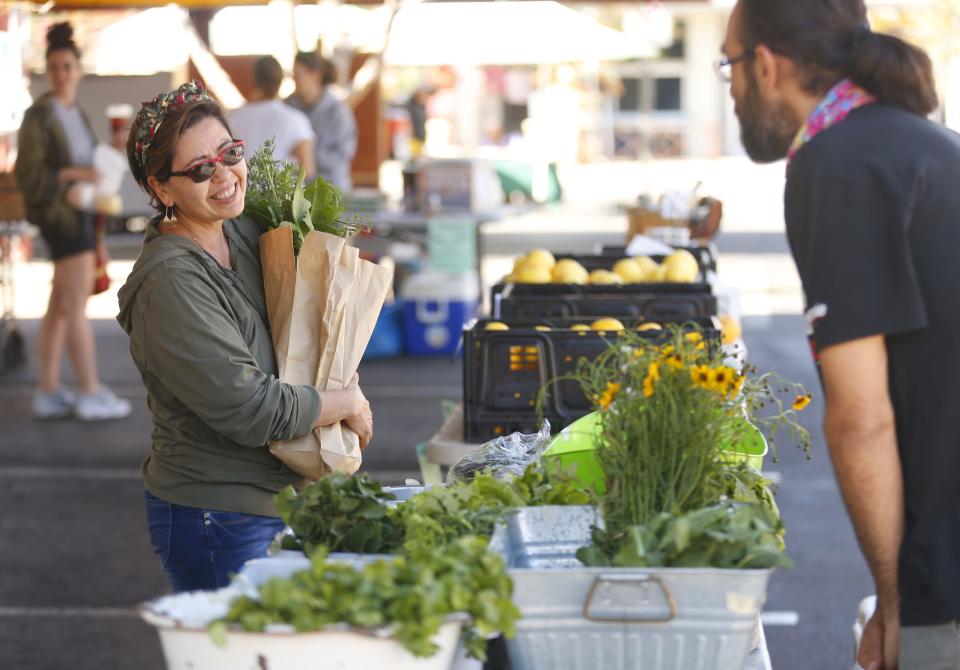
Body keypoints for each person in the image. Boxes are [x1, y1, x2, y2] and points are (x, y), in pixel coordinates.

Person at [722, 2, 958, 669]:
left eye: (729, 67)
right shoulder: (921, 145)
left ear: (764, 65)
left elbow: (861, 419)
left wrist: (896, 601)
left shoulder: (837, 166)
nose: (733, 90)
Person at [117, 81, 373, 592]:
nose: (225, 176)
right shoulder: (171, 282)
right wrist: (344, 401)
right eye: (199, 170)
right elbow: (248, 408)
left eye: (229, 153)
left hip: (276, 497)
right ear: (161, 189)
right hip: (217, 515)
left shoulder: (241, 230)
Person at [14, 22, 131, 422]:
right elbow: (29, 176)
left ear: (79, 69)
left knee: (60, 308)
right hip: (61, 219)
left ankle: (47, 391)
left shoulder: (73, 112)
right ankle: (90, 390)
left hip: (81, 215)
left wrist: (108, 153)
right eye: (55, 67)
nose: (62, 73)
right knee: (75, 305)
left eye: (68, 66)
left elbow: (88, 164)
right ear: (48, 71)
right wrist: (74, 176)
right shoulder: (39, 115)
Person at [228, 56, 316, 178]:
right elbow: (307, 169)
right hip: (282, 195)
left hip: (243, 194)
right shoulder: (297, 120)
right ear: (281, 80)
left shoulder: (231, 117)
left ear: (253, 79)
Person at [286, 51, 356, 190]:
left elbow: (343, 154)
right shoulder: (288, 106)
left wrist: (308, 154)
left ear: (315, 75)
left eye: (298, 74)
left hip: (331, 189)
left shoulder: (338, 110)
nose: (294, 79)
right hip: (296, 191)